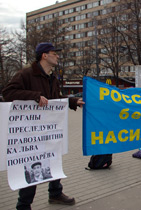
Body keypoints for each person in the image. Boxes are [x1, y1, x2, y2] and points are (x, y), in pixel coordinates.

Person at [2, 42, 85, 210]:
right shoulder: (26, 74)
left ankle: (55, 194)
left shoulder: (52, 78)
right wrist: (34, 96)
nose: (58, 56)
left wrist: (73, 101)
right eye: (54, 53)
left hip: (48, 129)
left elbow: (54, 99)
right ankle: (23, 205)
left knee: (53, 160)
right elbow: (8, 93)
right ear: (44, 55)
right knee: (33, 167)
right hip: (30, 132)